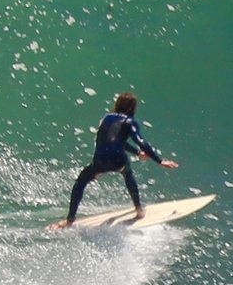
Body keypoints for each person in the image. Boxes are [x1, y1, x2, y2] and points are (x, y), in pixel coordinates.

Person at [53, 91, 179, 226]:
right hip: (118, 160)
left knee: (80, 182)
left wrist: (137, 153)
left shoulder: (106, 118)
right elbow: (141, 141)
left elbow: (113, 141)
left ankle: (70, 220)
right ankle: (139, 210)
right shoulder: (130, 122)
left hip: (99, 160)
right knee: (127, 172)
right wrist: (160, 161)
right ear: (131, 108)